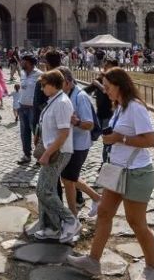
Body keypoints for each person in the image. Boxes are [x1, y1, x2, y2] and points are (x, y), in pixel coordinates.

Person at [68, 69, 154, 279]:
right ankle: (93, 261)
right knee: (103, 212)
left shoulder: (136, 107)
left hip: (137, 173)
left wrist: (120, 139)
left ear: (120, 85)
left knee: (136, 222)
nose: (105, 90)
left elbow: (151, 141)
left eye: (108, 87)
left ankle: (153, 268)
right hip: (117, 169)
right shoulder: (120, 106)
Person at [28, 70, 79, 243]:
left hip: (59, 152)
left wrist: (47, 153)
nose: (42, 89)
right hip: (52, 150)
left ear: (54, 84)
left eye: (44, 85)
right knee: (43, 190)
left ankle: (70, 220)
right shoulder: (54, 101)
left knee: (44, 190)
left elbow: (64, 133)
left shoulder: (62, 103)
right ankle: (50, 226)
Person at [59, 67, 102, 218]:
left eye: (60, 83)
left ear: (69, 82)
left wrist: (75, 122)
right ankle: (96, 199)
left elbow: (89, 124)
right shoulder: (66, 94)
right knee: (69, 177)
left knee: (68, 178)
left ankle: (72, 215)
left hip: (79, 144)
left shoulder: (80, 96)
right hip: (70, 143)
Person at [16, 55, 42, 165]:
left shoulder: (40, 74)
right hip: (22, 107)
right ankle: (26, 155)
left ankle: (40, 156)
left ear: (30, 63)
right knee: (24, 132)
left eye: (23, 62)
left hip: (33, 108)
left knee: (36, 132)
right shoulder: (22, 73)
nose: (21, 63)